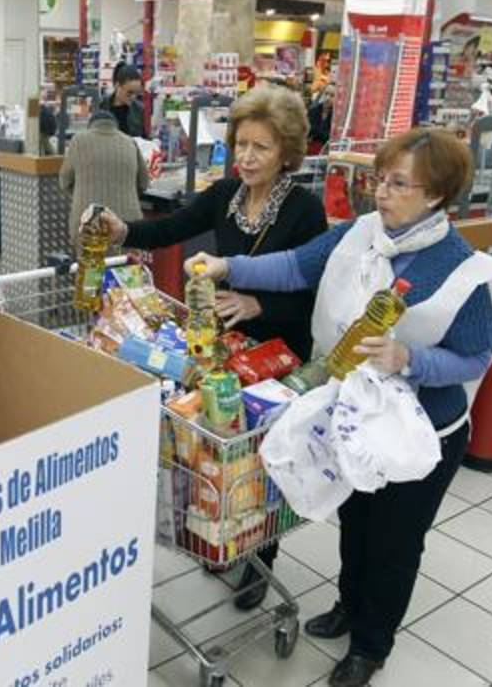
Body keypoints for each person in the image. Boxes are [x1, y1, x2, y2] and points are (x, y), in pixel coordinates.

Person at [184, 127, 492, 687]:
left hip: (421, 434)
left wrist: (411, 358)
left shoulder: (462, 268)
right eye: (379, 179)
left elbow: (477, 357)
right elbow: (293, 267)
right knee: (355, 523)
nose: (380, 193)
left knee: (395, 543)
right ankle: (347, 606)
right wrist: (228, 267)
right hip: (352, 417)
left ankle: (371, 645)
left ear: (436, 195)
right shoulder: (362, 234)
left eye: (398, 183)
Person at [86, 84, 327, 610]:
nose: (246, 156)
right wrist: (123, 228)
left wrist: (259, 306)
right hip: (220, 347)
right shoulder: (226, 195)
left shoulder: (306, 210)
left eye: (260, 147)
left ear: (286, 152)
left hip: (279, 351)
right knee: (216, 446)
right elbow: (172, 228)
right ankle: (220, 533)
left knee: (262, 459)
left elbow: (314, 290)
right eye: (240, 143)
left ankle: (262, 561)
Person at [59, 110, 149, 244]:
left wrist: (82, 194)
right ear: (115, 125)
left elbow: (65, 181)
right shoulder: (129, 142)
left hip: (88, 223)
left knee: (90, 263)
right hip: (128, 224)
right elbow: (143, 183)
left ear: (91, 125)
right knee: (126, 264)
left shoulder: (78, 141)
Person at [100, 64, 145, 138]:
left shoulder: (139, 110)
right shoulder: (101, 106)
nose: (133, 97)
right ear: (118, 86)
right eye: (129, 92)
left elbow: (143, 138)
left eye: (137, 93)